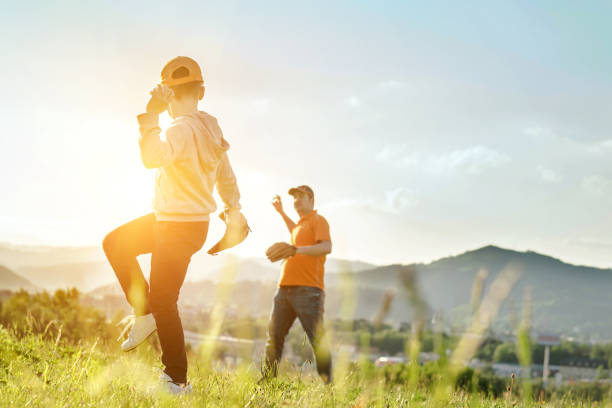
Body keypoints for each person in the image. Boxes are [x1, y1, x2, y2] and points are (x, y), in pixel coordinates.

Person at [102, 56, 244, 393]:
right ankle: (144, 314)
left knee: (165, 300)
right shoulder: (211, 128)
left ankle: (177, 380)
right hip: (183, 223)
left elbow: (152, 157)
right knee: (115, 244)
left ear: (168, 96)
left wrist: (151, 114)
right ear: (202, 91)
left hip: (176, 226)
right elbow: (226, 176)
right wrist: (233, 210)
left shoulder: (179, 129)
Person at [262, 185, 333, 383]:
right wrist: (282, 212)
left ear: (311, 199)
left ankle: (329, 386)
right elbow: (295, 233)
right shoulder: (300, 225)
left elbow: (326, 246)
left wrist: (296, 250)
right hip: (284, 289)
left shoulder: (319, 221)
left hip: (308, 291)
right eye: (294, 198)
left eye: (301, 197)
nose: (297, 201)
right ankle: (267, 381)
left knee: (317, 340)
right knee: (274, 337)